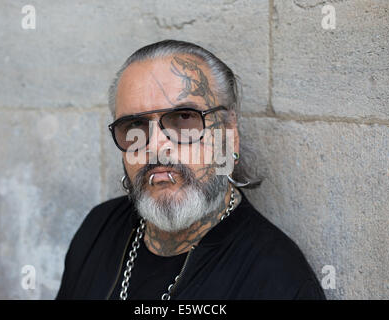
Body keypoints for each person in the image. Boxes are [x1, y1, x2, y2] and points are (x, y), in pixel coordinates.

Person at [56, 40, 325, 300]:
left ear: (230, 133)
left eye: (184, 118)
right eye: (135, 125)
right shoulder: (98, 229)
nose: (156, 146)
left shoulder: (278, 280)